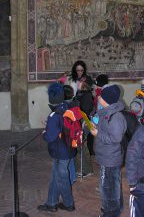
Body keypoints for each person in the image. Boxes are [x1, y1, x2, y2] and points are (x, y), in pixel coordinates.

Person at [37, 83, 75, 213]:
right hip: (68, 148)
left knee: (61, 178)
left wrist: (45, 133)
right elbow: (62, 126)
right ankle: (51, 203)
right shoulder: (66, 107)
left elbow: (50, 137)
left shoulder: (54, 115)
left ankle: (69, 203)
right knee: (55, 176)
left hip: (60, 151)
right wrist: (50, 125)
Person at [90, 84, 127, 217]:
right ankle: (116, 208)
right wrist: (95, 126)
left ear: (106, 100)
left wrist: (97, 134)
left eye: (101, 96)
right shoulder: (106, 112)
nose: (98, 97)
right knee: (113, 184)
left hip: (110, 157)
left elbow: (115, 138)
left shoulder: (115, 117)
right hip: (107, 155)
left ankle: (110, 212)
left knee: (108, 187)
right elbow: (105, 129)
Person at [74, 76, 94, 176]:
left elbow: (85, 111)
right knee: (79, 145)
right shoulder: (80, 93)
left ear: (85, 84)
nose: (78, 82)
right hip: (79, 121)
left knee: (82, 146)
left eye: (80, 81)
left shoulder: (87, 95)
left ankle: (86, 170)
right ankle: (80, 168)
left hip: (83, 122)